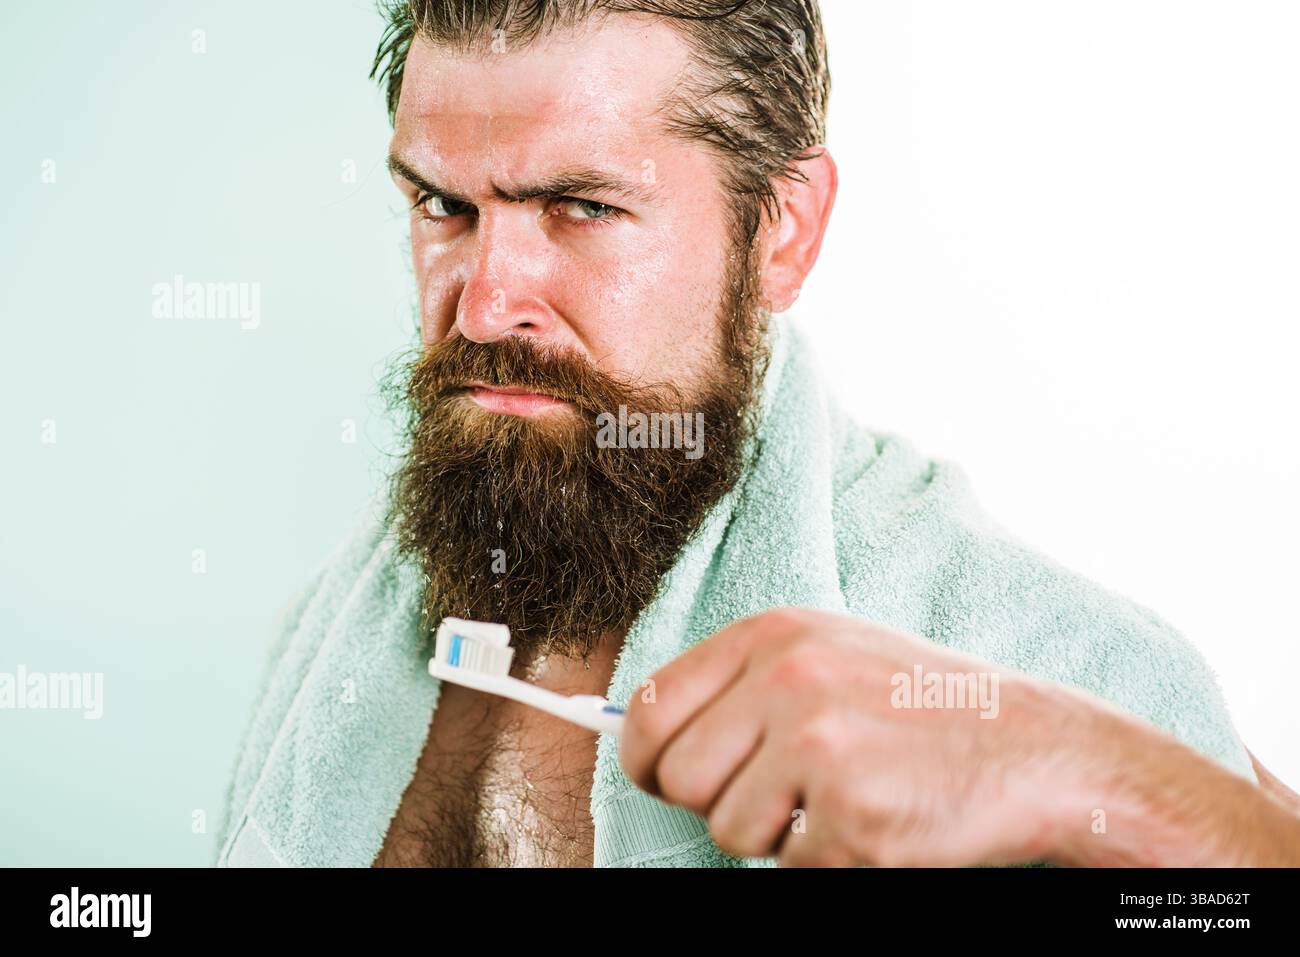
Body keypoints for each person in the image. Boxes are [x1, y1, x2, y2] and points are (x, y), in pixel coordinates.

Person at [216, 0, 1300, 868]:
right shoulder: (336, 633)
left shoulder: (1050, 679)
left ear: (783, 232)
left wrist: (1104, 786)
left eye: (581, 208)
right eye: (442, 207)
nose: (486, 303)